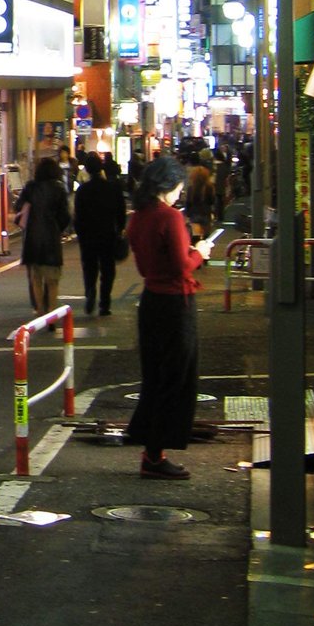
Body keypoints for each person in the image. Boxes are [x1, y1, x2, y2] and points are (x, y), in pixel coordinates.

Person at [125, 154, 209, 479]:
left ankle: (151, 448)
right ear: (168, 184)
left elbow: (148, 268)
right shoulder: (169, 218)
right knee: (177, 377)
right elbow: (180, 266)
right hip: (176, 305)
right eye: (179, 187)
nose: (180, 193)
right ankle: (155, 455)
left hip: (151, 302)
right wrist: (199, 254)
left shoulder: (138, 218)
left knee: (156, 376)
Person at [14, 155, 69, 316]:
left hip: (32, 238)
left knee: (36, 278)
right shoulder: (58, 189)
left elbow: (19, 206)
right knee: (52, 280)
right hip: (51, 238)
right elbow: (65, 215)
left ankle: (40, 311)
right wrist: (58, 228)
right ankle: (52, 312)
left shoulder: (31, 187)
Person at [73, 150, 126, 317]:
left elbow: (78, 216)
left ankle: (90, 293)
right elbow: (121, 212)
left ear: (87, 170)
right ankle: (105, 303)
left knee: (89, 268)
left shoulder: (82, 191)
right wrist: (120, 229)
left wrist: (80, 233)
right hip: (108, 233)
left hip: (88, 236)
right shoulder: (112, 188)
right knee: (107, 270)